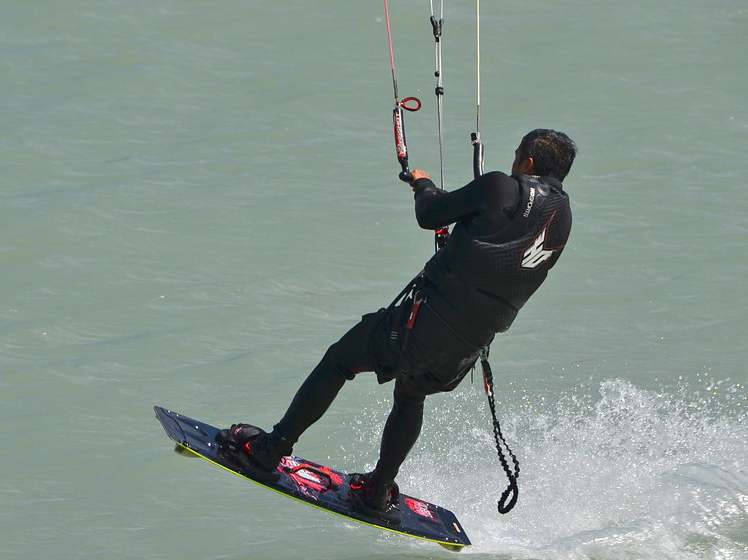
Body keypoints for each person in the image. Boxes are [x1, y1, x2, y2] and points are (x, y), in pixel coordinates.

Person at [218, 129, 576, 523]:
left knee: (340, 360)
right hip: (471, 344)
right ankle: (377, 490)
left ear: (527, 162)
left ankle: (270, 451)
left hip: (427, 323)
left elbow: (430, 215)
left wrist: (423, 184)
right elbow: (500, 249)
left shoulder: (500, 186)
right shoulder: (562, 219)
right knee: (411, 394)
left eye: (517, 156)